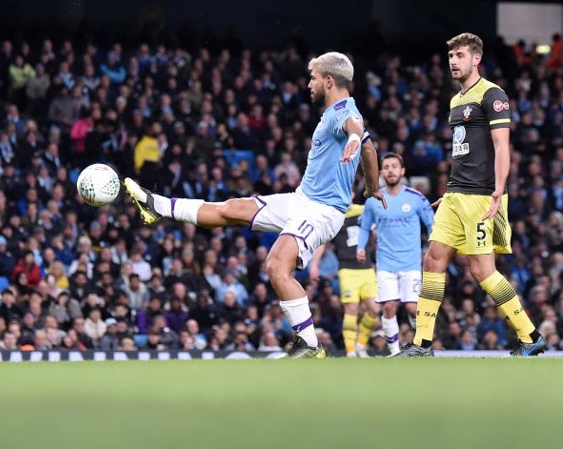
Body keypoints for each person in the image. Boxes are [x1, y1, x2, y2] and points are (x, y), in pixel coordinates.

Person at [125, 52, 384, 358]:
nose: (309, 84)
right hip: (301, 201)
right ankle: (158, 206)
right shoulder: (334, 112)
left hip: (322, 211)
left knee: (276, 265)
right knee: (230, 209)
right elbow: (368, 148)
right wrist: (371, 187)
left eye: (313, 78)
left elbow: (357, 131)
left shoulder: (342, 110)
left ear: (329, 81)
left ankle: (311, 345)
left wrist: (354, 140)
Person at [396, 33, 545, 357]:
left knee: (481, 271)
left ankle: (530, 335)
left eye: (460, 55)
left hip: (481, 198)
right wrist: (450, 190)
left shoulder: (493, 95)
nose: (453, 61)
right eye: (451, 56)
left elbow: (502, 146)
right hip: (455, 195)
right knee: (432, 260)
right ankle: (421, 343)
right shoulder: (455, 101)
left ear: (475, 58)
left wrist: (498, 191)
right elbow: (463, 151)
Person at [358, 152, 434, 355]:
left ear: (402, 171)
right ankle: (394, 352)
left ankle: (422, 345)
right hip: (386, 265)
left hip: (410, 264)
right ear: (381, 172)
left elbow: (432, 224)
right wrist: (360, 247)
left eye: (394, 166)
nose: (390, 170)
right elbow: (365, 227)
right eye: (387, 167)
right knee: (389, 306)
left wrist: (432, 249)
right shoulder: (373, 201)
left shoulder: (416, 198)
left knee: (412, 308)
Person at [311, 198, 379, 357]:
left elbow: (378, 225)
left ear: (353, 193)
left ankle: (361, 344)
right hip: (347, 270)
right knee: (352, 309)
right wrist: (314, 264)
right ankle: (351, 352)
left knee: (375, 310)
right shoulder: (334, 215)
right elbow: (323, 242)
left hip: (367, 268)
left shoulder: (363, 210)